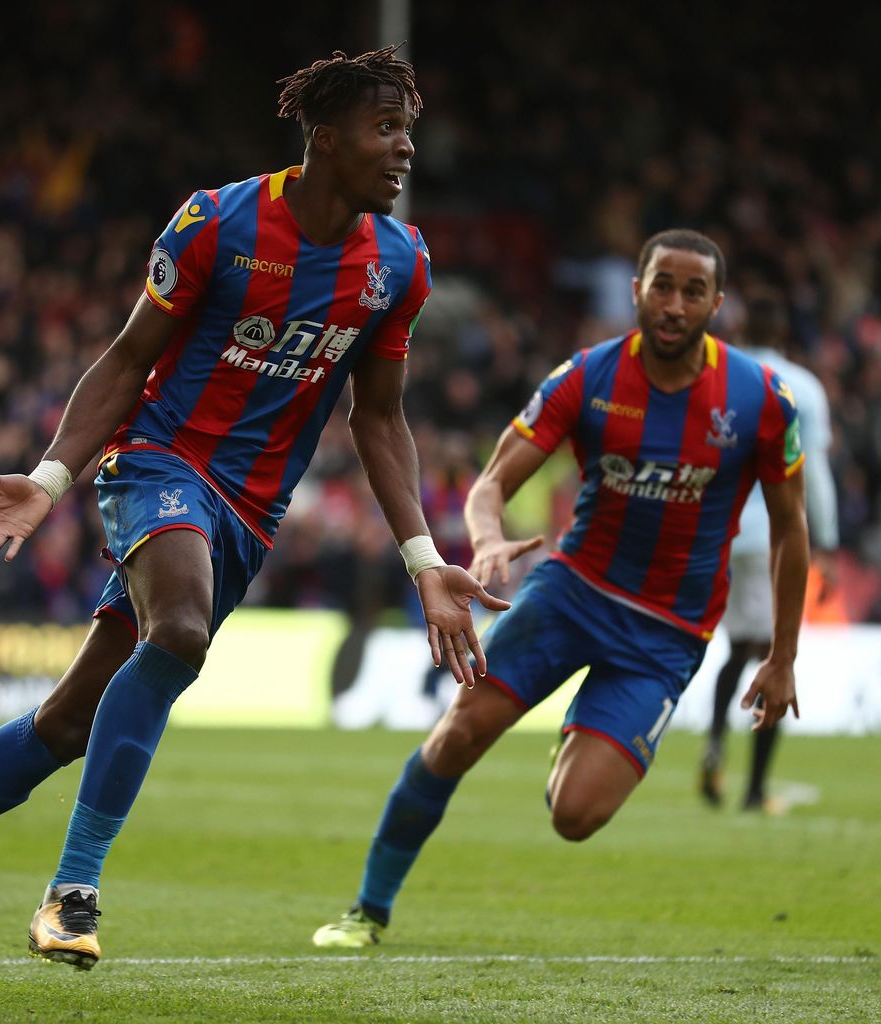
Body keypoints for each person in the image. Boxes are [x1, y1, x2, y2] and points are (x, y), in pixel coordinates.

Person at [0, 46, 507, 970]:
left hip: (249, 515)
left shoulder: (399, 264)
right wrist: (50, 478)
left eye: (408, 128)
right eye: (386, 128)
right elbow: (129, 359)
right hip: (157, 460)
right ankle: (73, 891)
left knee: (65, 725)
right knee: (179, 630)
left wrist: (425, 561)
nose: (406, 147)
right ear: (327, 139)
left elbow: (378, 418)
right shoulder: (218, 221)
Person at [313, 229, 811, 947]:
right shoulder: (588, 377)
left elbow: (793, 530)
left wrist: (783, 655)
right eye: (662, 286)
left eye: (693, 291)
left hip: (666, 633)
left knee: (575, 816)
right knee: (458, 735)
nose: (674, 304)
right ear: (637, 291)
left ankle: (581, 737)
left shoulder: (759, 398)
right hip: (571, 595)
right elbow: (491, 484)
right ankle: (368, 908)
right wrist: (487, 538)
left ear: (716, 303)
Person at [699, 290, 838, 813]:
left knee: (738, 649)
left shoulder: (716, 379)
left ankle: (715, 743)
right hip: (771, 540)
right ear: (783, 334)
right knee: (774, 657)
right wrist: (828, 541)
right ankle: (755, 789)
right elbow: (813, 473)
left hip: (717, 533)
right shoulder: (802, 386)